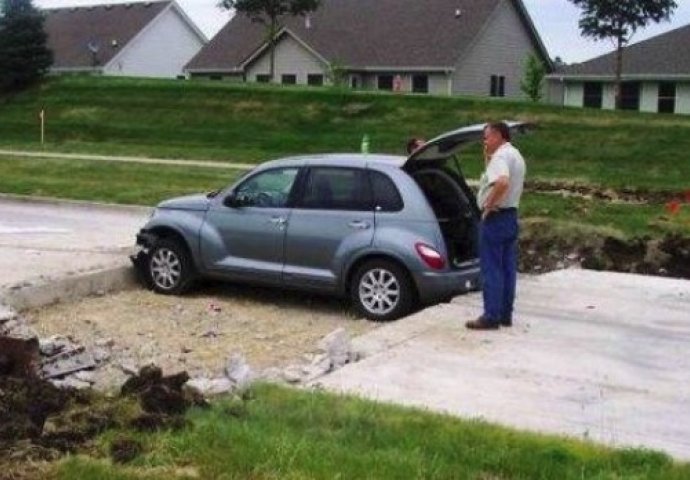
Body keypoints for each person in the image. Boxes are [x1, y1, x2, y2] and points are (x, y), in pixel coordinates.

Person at [466, 122, 525, 330]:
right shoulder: (516, 155)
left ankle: (491, 316)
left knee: (492, 269)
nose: (485, 141)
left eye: (487, 137)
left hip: (496, 218)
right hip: (511, 216)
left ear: (499, 136)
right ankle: (504, 315)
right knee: (508, 269)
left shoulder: (500, 157)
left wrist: (489, 205)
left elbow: (502, 182)